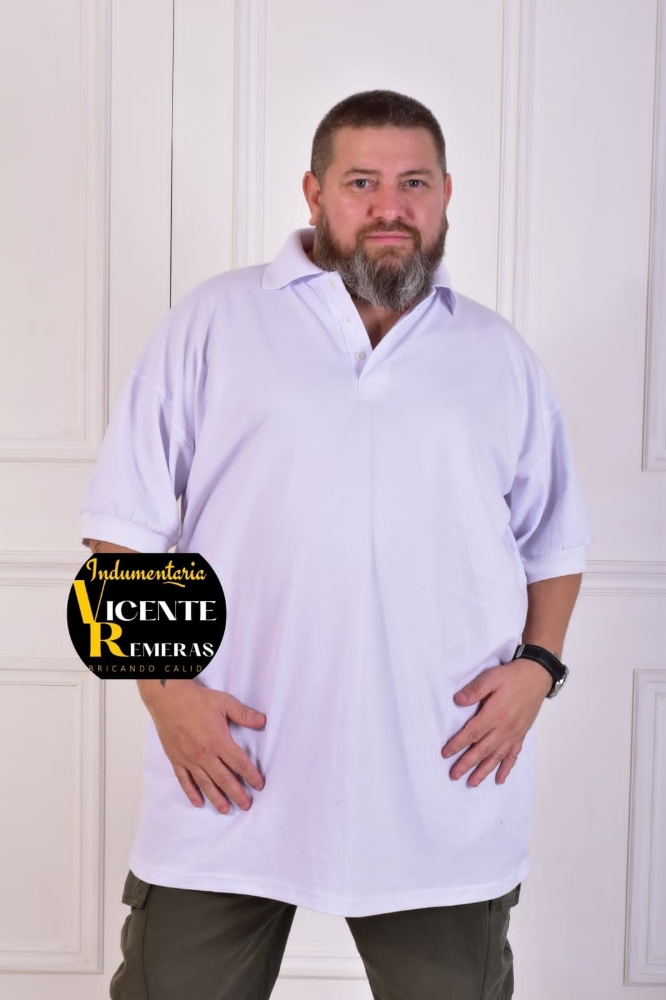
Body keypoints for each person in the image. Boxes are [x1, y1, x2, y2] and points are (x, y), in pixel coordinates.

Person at [81, 89, 591, 999]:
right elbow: (119, 533)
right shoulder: (215, 321)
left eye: (414, 183)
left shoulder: (497, 353)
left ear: (445, 196)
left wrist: (539, 669)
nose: (390, 207)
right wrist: (166, 696)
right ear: (314, 193)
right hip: (227, 774)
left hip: (440, 783)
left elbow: (553, 541)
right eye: (362, 182)